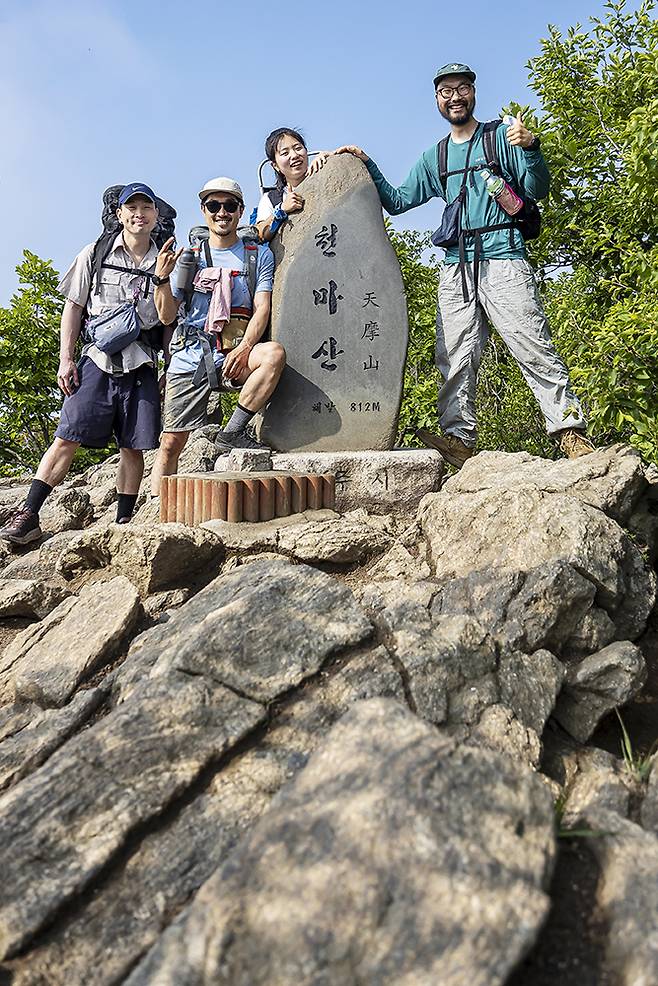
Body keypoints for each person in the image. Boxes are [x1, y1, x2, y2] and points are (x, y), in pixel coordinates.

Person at [335, 63, 593, 468]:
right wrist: (366, 164)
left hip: (504, 256)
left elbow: (536, 188)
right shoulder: (434, 156)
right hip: (456, 265)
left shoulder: (501, 138)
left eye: (461, 89)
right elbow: (399, 201)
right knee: (454, 355)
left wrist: (531, 146)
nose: (454, 97)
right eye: (446, 91)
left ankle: (570, 432)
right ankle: (458, 437)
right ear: (437, 100)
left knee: (532, 345)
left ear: (473, 92)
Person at [0, 182, 178, 546]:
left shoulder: (166, 259)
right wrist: (66, 358)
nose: (139, 214)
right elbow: (74, 307)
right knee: (67, 436)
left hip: (142, 361)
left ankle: (124, 521)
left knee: (133, 445)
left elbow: (169, 318)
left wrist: (161, 279)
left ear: (156, 215)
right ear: (120, 214)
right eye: (132, 207)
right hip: (97, 358)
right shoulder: (95, 253)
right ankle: (29, 514)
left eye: (146, 208)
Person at [150, 177, 285, 496]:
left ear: (240, 212)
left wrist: (245, 348)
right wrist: (161, 279)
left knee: (274, 355)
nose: (221, 212)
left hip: (236, 351)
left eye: (229, 206)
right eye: (214, 205)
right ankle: (157, 505)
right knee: (171, 443)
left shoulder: (258, 255)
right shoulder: (190, 258)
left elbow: (261, 307)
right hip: (191, 355)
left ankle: (233, 432)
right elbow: (167, 316)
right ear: (203, 211)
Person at [255, 128, 330, 241]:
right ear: (275, 165)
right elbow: (260, 234)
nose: (294, 155)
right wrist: (281, 209)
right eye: (285, 153)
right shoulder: (271, 199)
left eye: (298, 148)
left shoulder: (324, 175)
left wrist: (331, 160)